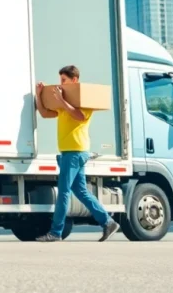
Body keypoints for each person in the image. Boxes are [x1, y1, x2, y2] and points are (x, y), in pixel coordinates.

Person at [34, 65, 120, 242]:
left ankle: (56, 232)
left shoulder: (83, 101)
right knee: (81, 191)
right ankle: (108, 222)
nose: (61, 84)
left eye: (64, 80)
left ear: (74, 80)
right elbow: (43, 113)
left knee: (64, 192)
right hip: (69, 152)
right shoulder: (63, 105)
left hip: (75, 152)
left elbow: (79, 116)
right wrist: (39, 94)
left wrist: (62, 101)